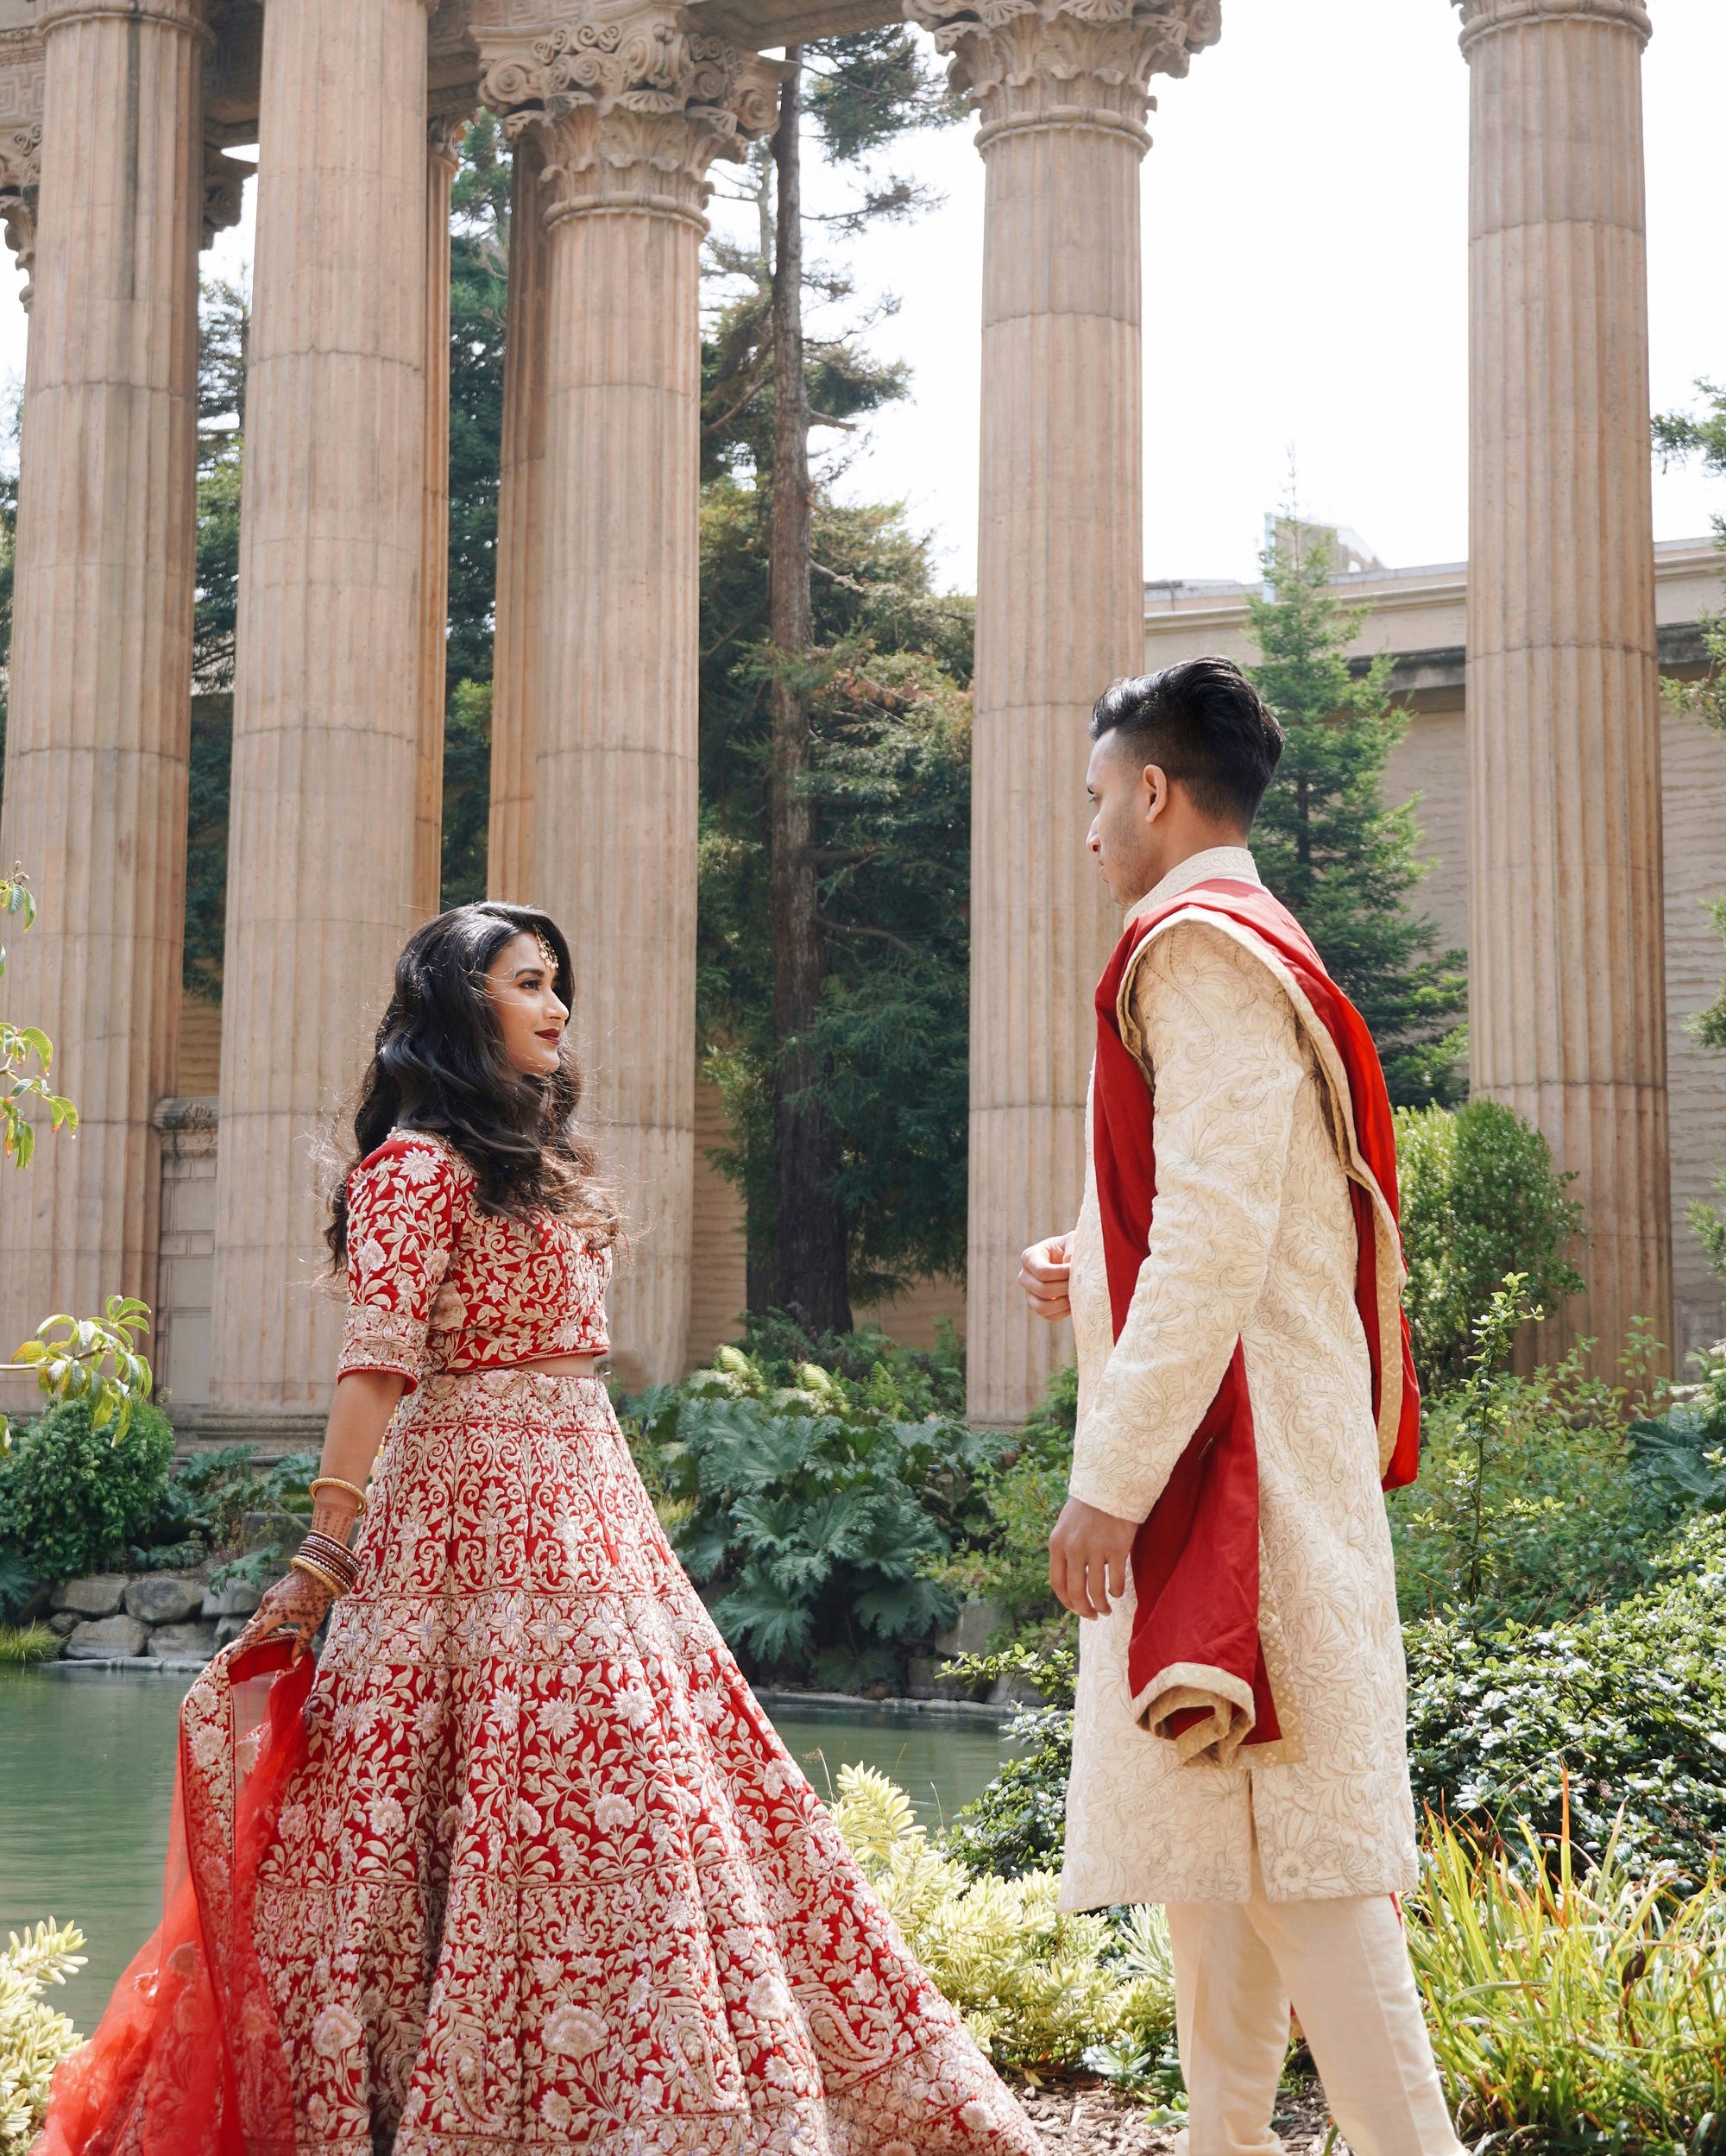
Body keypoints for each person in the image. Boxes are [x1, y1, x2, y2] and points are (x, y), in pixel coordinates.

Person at [40, 902, 1042, 2156]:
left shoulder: (522, 1157)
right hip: (465, 1534)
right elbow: (375, 1362)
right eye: (528, 983)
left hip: (587, 1516)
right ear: (464, 1005)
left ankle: (678, 2106)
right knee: (495, 1804)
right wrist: (325, 1547)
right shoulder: (414, 1164)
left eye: (558, 980)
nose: (557, 1004)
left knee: (653, 1795)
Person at [1018, 660, 1463, 2156]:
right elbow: (1255, 1214)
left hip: (1235, 1475)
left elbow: (1212, 1232)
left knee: (1313, 1875)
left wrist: (1112, 1480)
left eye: (1097, 801)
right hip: (1264, 1441)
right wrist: (1091, 1268)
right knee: (1226, 1859)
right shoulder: (1260, 937)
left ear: (1153, 791)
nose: (1090, 835)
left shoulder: (1193, 949)